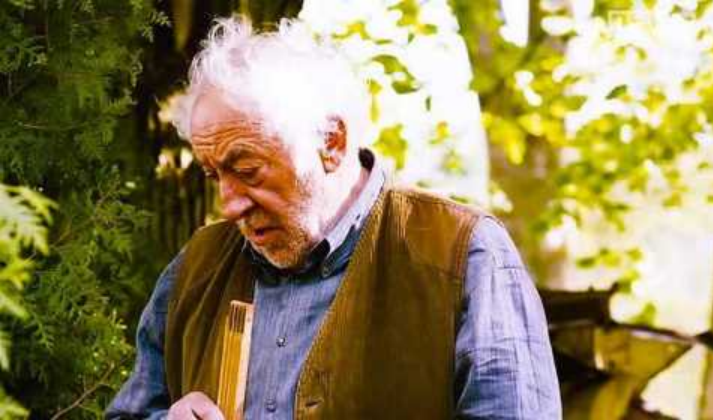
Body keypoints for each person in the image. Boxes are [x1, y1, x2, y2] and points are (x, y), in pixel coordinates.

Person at [106, 15, 561, 420]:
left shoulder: (463, 254)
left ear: (332, 143)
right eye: (214, 175)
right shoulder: (197, 268)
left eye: (247, 171)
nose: (229, 204)